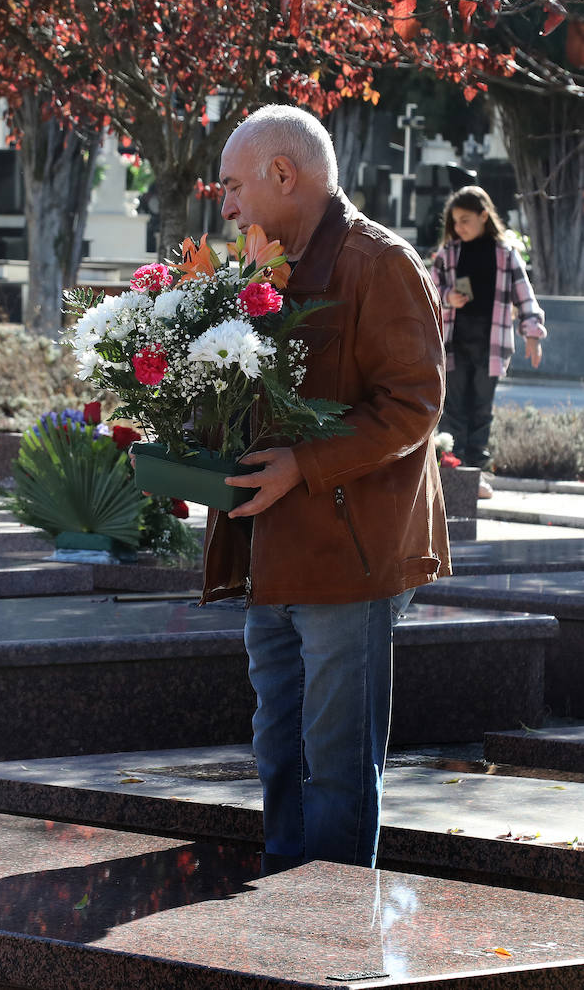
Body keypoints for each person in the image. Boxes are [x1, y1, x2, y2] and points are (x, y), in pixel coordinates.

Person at [207, 105, 450, 869]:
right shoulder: (258, 268)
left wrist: (303, 467)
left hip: (350, 560)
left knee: (337, 769)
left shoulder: (378, 263)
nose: (226, 204)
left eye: (234, 185)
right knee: (279, 756)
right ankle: (287, 909)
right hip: (272, 555)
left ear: (286, 174)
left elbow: (415, 405)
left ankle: (332, 939)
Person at [430, 185, 546, 498]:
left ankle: (475, 477)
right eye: (455, 221)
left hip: (490, 347)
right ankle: (451, 475)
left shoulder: (505, 254)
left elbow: (525, 296)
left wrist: (532, 334)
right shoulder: (449, 253)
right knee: (453, 411)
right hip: (453, 345)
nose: (459, 227)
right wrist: (447, 298)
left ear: (484, 216)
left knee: (481, 413)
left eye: (465, 219)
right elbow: (428, 290)